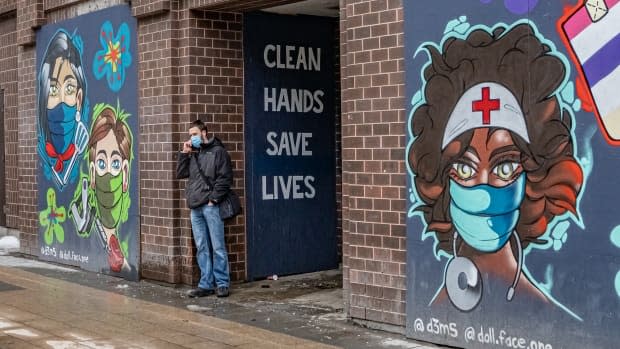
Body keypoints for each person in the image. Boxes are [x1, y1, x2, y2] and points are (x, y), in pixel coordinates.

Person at [407, 23, 583, 313]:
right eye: (464, 168)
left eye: (506, 167)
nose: (484, 189)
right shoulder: (434, 310)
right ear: (440, 179)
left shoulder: (544, 310)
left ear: (535, 177)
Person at [177, 119, 232, 298]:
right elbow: (181, 173)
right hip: (195, 207)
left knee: (217, 246)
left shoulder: (218, 152)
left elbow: (225, 178)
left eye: (194, 134)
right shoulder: (194, 153)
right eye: (190, 135)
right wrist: (184, 154)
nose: (191, 137)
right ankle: (205, 283)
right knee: (201, 246)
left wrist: (213, 200)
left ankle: (222, 283)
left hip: (210, 207)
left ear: (204, 133)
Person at [38, 29, 89, 189]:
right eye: (53, 90)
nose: (61, 102)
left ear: (79, 99)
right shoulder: (43, 148)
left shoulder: (82, 146)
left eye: (69, 89)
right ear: (44, 99)